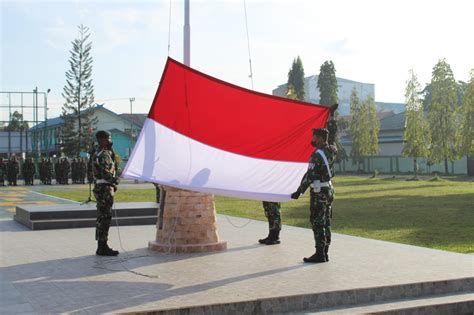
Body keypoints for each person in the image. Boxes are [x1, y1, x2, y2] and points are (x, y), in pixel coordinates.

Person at [291, 128, 337, 263]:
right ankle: (325, 251)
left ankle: (319, 253)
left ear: (321, 139)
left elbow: (310, 175)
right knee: (326, 221)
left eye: (315, 137)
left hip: (319, 193)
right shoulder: (331, 151)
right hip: (329, 189)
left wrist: (299, 191)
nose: (313, 139)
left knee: (317, 222)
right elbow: (332, 136)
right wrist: (332, 119)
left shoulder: (317, 154)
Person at [92, 130, 120, 256]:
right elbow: (106, 173)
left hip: (101, 187)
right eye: (108, 138)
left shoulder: (100, 152)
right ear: (102, 140)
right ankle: (103, 246)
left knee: (101, 217)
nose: (110, 140)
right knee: (105, 218)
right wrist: (115, 181)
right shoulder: (104, 154)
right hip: (104, 188)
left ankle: (101, 246)